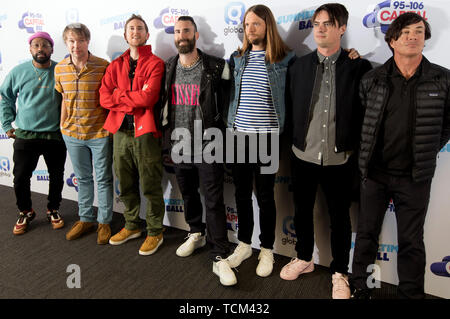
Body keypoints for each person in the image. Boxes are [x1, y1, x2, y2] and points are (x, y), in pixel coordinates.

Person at [350, 12, 450, 299]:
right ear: (392, 40)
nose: (412, 36)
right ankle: (361, 288)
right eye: (405, 32)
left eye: (418, 31)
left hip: (415, 177)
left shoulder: (443, 79)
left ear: (425, 38)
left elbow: (447, 125)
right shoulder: (372, 79)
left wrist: (428, 148)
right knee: (367, 236)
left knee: (411, 242)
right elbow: (361, 124)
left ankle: (411, 295)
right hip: (375, 175)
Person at [279, 3, 372, 299]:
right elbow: (290, 109)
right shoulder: (299, 66)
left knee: (340, 218)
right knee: (303, 211)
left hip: (340, 158)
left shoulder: (359, 67)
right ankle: (304, 257)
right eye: (317, 23)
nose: (320, 28)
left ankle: (339, 272)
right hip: (303, 155)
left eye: (328, 23)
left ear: (341, 28)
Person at [160, 16, 235, 285]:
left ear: (196, 35)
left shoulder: (215, 66)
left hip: (208, 146)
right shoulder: (169, 66)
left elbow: (228, 103)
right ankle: (195, 232)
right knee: (189, 193)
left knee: (213, 201)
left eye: (187, 31)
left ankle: (219, 255)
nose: (182, 35)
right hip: (179, 146)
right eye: (178, 31)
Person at [226, 4, 295, 279]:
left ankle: (266, 248)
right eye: (246, 25)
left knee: (265, 196)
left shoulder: (285, 59)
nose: (250, 29)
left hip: (267, 140)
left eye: (255, 23)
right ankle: (244, 244)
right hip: (239, 137)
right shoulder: (237, 58)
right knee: (242, 194)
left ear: (267, 25)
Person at [99, 14, 166, 255]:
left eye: (139, 28)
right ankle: (131, 225)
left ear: (147, 35)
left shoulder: (156, 63)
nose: (135, 31)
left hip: (145, 132)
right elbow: (104, 98)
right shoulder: (116, 64)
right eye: (130, 28)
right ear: (126, 35)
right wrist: (128, 99)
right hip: (120, 133)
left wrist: (119, 96)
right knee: (125, 184)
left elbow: (149, 97)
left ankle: (155, 230)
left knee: (150, 183)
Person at [0, 32, 66, 235]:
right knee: (20, 177)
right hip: (25, 135)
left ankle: (53, 209)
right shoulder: (18, 71)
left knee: (56, 177)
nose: (40, 49)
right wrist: (6, 125)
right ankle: (25, 211)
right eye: (36, 45)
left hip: (54, 135)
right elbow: (5, 97)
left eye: (45, 45)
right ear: (30, 49)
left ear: (52, 49)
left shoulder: (61, 70)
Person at [55, 23, 113, 245]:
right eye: (71, 40)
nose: (75, 45)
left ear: (87, 41)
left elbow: (109, 100)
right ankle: (86, 218)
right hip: (72, 134)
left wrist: (108, 128)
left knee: (104, 179)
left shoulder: (102, 66)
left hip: (99, 133)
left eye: (80, 40)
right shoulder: (59, 69)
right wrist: (62, 125)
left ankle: (105, 222)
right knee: (83, 179)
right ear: (66, 42)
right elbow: (63, 100)